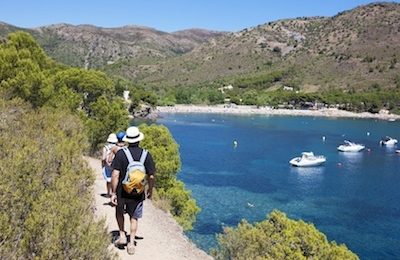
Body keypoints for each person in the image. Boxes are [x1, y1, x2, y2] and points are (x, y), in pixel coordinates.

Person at [110, 126, 156, 255]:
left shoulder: (121, 154)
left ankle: (122, 235)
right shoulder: (146, 154)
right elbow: (151, 176)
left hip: (121, 191)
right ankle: (131, 243)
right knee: (134, 217)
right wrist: (150, 190)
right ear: (139, 140)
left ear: (128, 140)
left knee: (119, 212)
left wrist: (113, 192)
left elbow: (115, 174)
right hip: (138, 192)